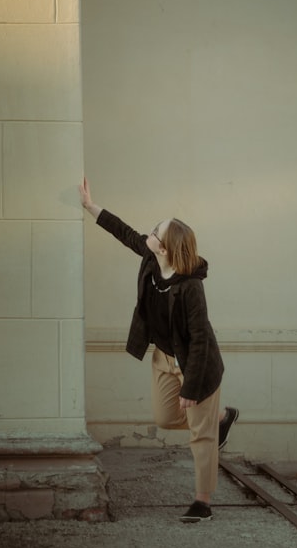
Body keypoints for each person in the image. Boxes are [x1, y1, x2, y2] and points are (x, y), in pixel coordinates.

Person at [79, 177, 238, 523]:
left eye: (154, 231)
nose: (147, 233)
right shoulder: (151, 259)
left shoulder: (192, 288)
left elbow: (198, 339)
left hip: (197, 363)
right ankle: (222, 416)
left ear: (165, 247)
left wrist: (192, 388)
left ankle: (202, 501)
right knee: (165, 418)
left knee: (201, 434)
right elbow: (124, 232)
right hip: (163, 357)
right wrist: (92, 207)